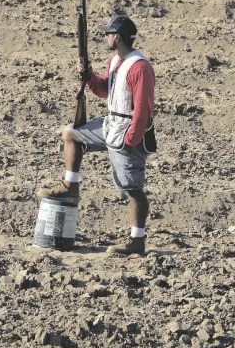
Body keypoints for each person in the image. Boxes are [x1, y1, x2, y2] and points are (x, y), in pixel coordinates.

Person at [37, 15, 156, 255]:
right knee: (70, 134)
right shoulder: (116, 62)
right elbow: (104, 90)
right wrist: (89, 77)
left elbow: (143, 108)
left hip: (127, 131)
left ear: (118, 37)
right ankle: (70, 184)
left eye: (108, 33)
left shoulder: (140, 67)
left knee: (133, 189)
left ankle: (137, 241)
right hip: (111, 125)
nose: (105, 37)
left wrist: (130, 140)